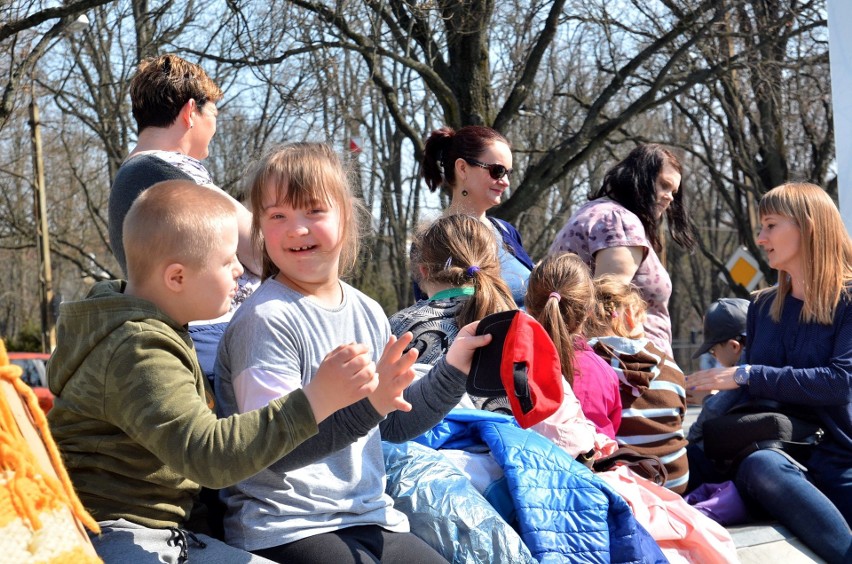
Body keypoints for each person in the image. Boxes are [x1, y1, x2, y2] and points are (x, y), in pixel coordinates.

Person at [47, 181, 379, 563]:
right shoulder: (137, 350)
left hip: (162, 529)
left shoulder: (153, 327)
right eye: (226, 261)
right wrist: (316, 399)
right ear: (177, 278)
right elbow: (207, 456)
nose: (240, 269)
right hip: (111, 532)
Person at [214, 143, 493, 563]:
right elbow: (270, 449)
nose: (296, 229)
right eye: (277, 216)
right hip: (285, 525)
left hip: (369, 516)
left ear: (346, 217)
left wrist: (454, 367)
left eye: (313, 211)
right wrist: (369, 406)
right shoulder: (265, 320)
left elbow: (393, 423)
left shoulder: (368, 311)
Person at [688, 182, 852, 563]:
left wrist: (747, 373)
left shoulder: (848, 301)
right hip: (772, 452)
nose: (761, 238)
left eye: (770, 225)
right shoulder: (762, 306)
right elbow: (746, 394)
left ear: (808, 227)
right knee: (681, 460)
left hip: (836, 457)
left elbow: (839, 383)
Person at [107, 53, 260, 384]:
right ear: (191, 112)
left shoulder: (131, 174)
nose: (215, 126)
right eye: (214, 114)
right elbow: (263, 251)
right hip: (211, 341)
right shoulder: (171, 170)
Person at [548, 144, 696, 358]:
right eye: (664, 185)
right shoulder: (619, 221)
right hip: (629, 373)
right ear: (638, 178)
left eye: (673, 192)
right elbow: (607, 309)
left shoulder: (596, 213)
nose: (670, 198)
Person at [581, 274, 689, 493]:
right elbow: (678, 417)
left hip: (627, 484)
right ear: (632, 317)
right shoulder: (671, 367)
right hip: (676, 480)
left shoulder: (588, 366)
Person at [420, 125, 533, 306]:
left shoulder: (506, 231)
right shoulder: (432, 241)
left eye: (509, 173)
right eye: (497, 171)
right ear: (462, 168)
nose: (505, 182)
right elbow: (430, 315)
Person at [525, 253, 623, 440]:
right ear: (588, 311)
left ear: (528, 306)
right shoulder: (602, 372)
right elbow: (608, 434)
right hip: (588, 467)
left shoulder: (512, 363)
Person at [685, 297, 751, 491]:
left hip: (728, 466)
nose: (714, 356)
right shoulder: (765, 358)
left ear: (733, 346)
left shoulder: (739, 374)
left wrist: (704, 399)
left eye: (713, 351)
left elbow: (702, 427)